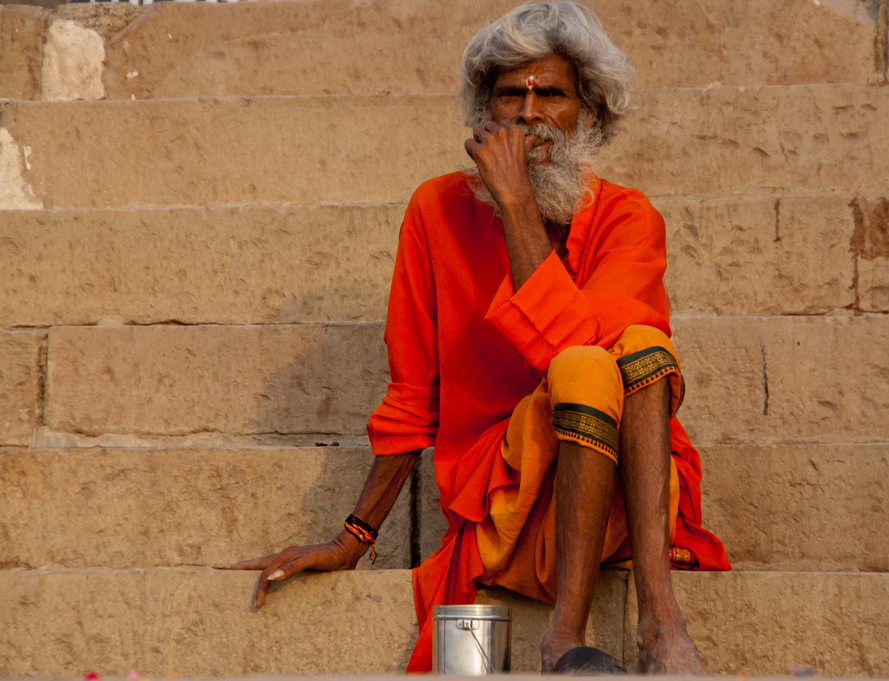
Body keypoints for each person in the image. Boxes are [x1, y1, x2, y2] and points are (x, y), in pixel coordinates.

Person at [232, 1, 730, 674]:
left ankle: (662, 626)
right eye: (509, 96)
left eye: (550, 94)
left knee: (639, 347)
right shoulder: (435, 211)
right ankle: (565, 640)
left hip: (620, 514)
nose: (528, 113)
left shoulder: (627, 218)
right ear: (484, 115)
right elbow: (413, 393)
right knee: (588, 365)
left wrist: (518, 208)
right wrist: (354, 536)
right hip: (507, 516)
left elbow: (576, 348)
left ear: (588, 114)